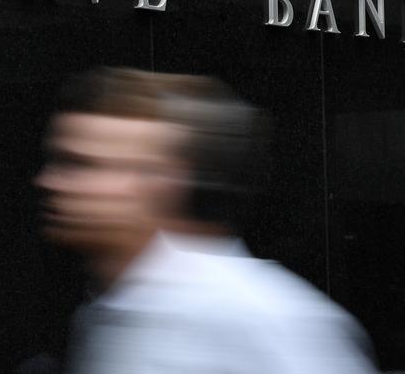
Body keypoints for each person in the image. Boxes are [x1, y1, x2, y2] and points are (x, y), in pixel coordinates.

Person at [34, 67, 377, 374]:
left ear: (157, 181)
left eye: (82, 164)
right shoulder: (98, 315)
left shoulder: (263, 317)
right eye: (57, 160)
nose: (48, 181)